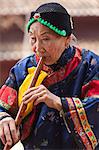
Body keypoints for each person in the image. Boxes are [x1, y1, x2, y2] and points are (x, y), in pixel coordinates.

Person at [0, 2, 99, 150]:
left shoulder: (89, 64)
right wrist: (4, 119)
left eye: (45, 39)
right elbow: (3, 106)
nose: (38, 48)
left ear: (67, 40)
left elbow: (96, 106)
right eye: (33, 39)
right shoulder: (23, 69)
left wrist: (59, 102)